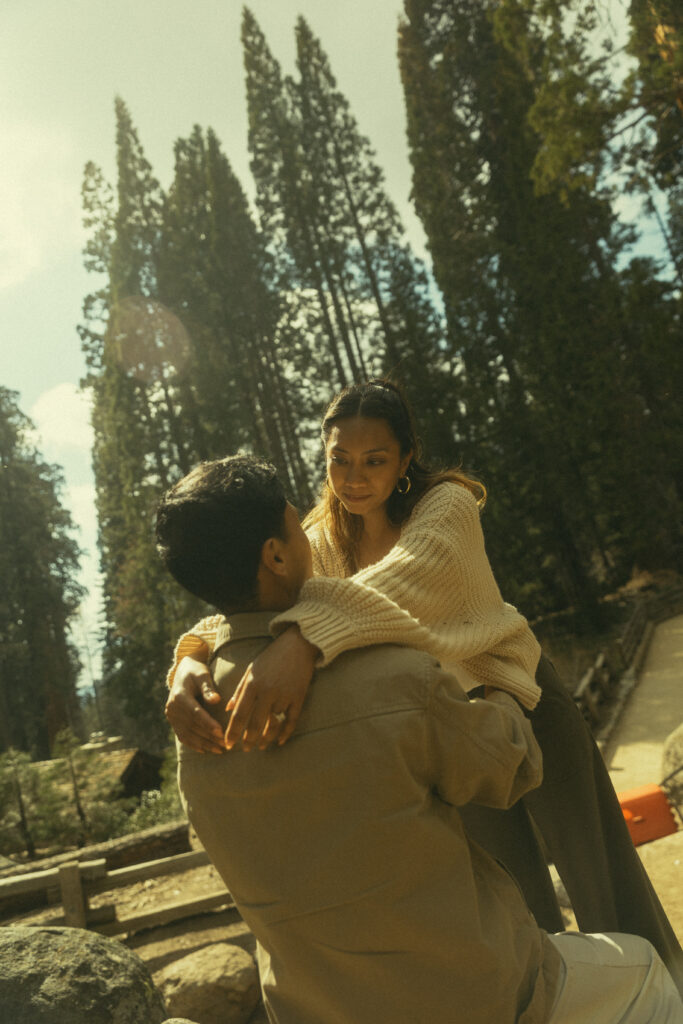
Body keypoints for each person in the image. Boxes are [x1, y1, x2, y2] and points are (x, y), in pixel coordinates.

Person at [166, 379, 683, 991]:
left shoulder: (447, 506)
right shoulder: (321, 539)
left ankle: (667, 995)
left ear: (406, 458)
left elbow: (402, 582)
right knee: (512, 895)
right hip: (447, 728)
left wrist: (303, 639)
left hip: (521, 696)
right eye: (339, 459)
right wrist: (193, 654)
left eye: (374, 460)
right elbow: (255, 595)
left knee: (601, 873)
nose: (353, 478)